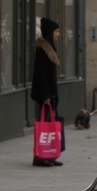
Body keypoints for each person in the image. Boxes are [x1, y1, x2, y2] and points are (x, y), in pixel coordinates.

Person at [31, 17, 63, 167]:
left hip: (51, 94)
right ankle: (39, 156)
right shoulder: (43, 50)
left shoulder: (50, 48)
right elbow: (41, 75)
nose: (58, 34)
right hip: (45, 95)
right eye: (56, 31)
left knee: (49, 125)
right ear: (50, 33)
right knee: (44, 126)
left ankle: (49, 153)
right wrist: (46, 96)